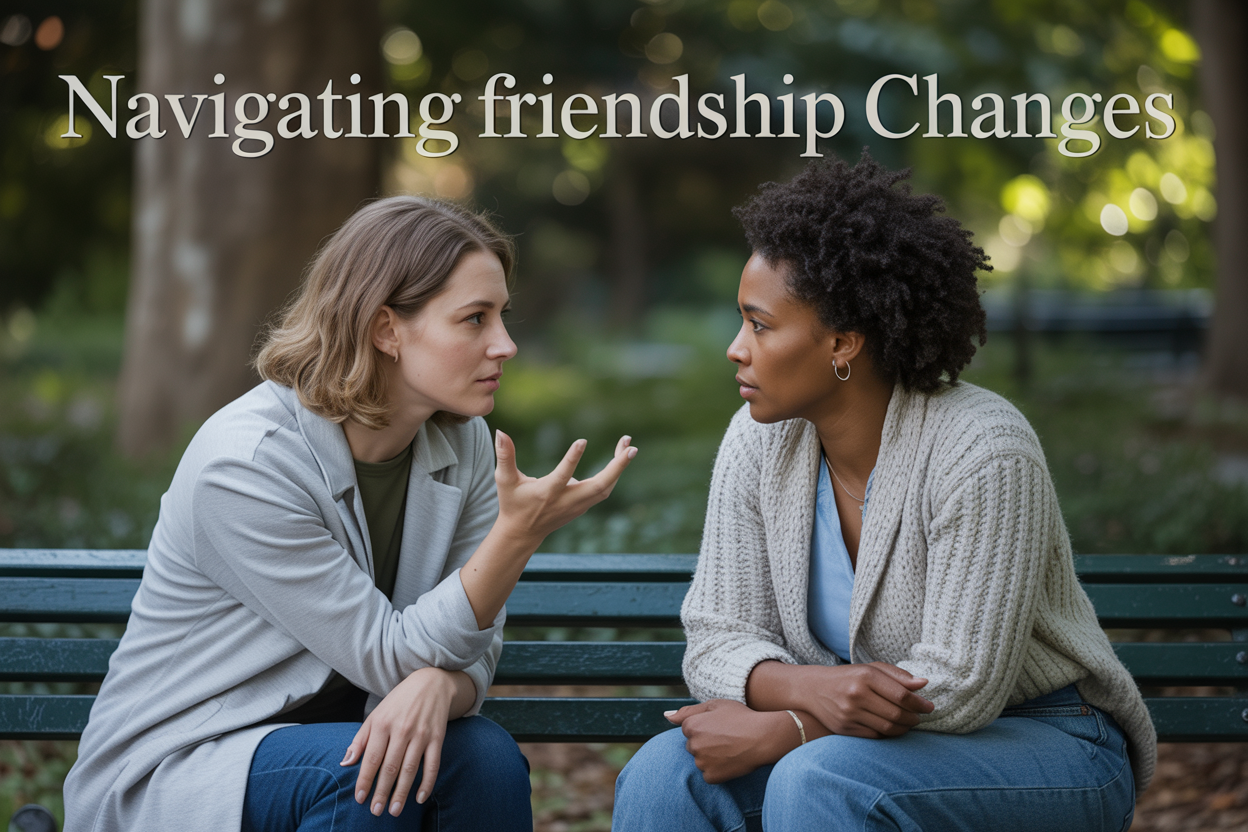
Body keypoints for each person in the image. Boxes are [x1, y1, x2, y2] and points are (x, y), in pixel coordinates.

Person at [613, 154, 1155, 832]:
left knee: (819, 780)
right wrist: (812, 690)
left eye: (760, 324)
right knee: (665, 776)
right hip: (856, 748)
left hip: (1046, 738)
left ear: (843, 343)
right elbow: (715, 638)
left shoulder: (983, 447)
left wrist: (791, 728)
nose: (736, 348)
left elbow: (961, 685)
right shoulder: (757, 441)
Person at [63, 196, 637, 832]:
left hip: (348, 738)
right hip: (191, 760)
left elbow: (474, 643)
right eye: (475, 319)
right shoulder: (245, 466)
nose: (506, 344)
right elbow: (390, 655)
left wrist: (442, 687)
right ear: (386, 329)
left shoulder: (464, 443)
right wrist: (516, 536)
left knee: (484, 757)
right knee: (369, 779)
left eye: (502, 316)